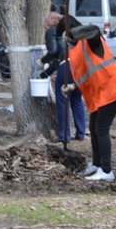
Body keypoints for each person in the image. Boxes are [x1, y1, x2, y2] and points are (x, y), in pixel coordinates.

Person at [61, 23, 116, 181]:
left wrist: (72, 34)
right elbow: (87, 73)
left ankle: (106, 170)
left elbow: (94, 30)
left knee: (101, 129)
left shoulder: (91, 41)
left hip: (111, 89)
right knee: (94, 127)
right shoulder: (79, 49)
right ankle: (97, 165)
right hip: (101, 93)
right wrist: (73, 86)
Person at [37, 13, 86, 143]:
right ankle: (81, 133)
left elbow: (53, 52)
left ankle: (64, 135)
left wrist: (42, 61)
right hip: (79, 66)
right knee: (77, 100)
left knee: (62, 101)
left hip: (66, 67)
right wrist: (44, 74)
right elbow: (56, 61)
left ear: (48, 24)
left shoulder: (51, 32)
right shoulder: (73, 33)